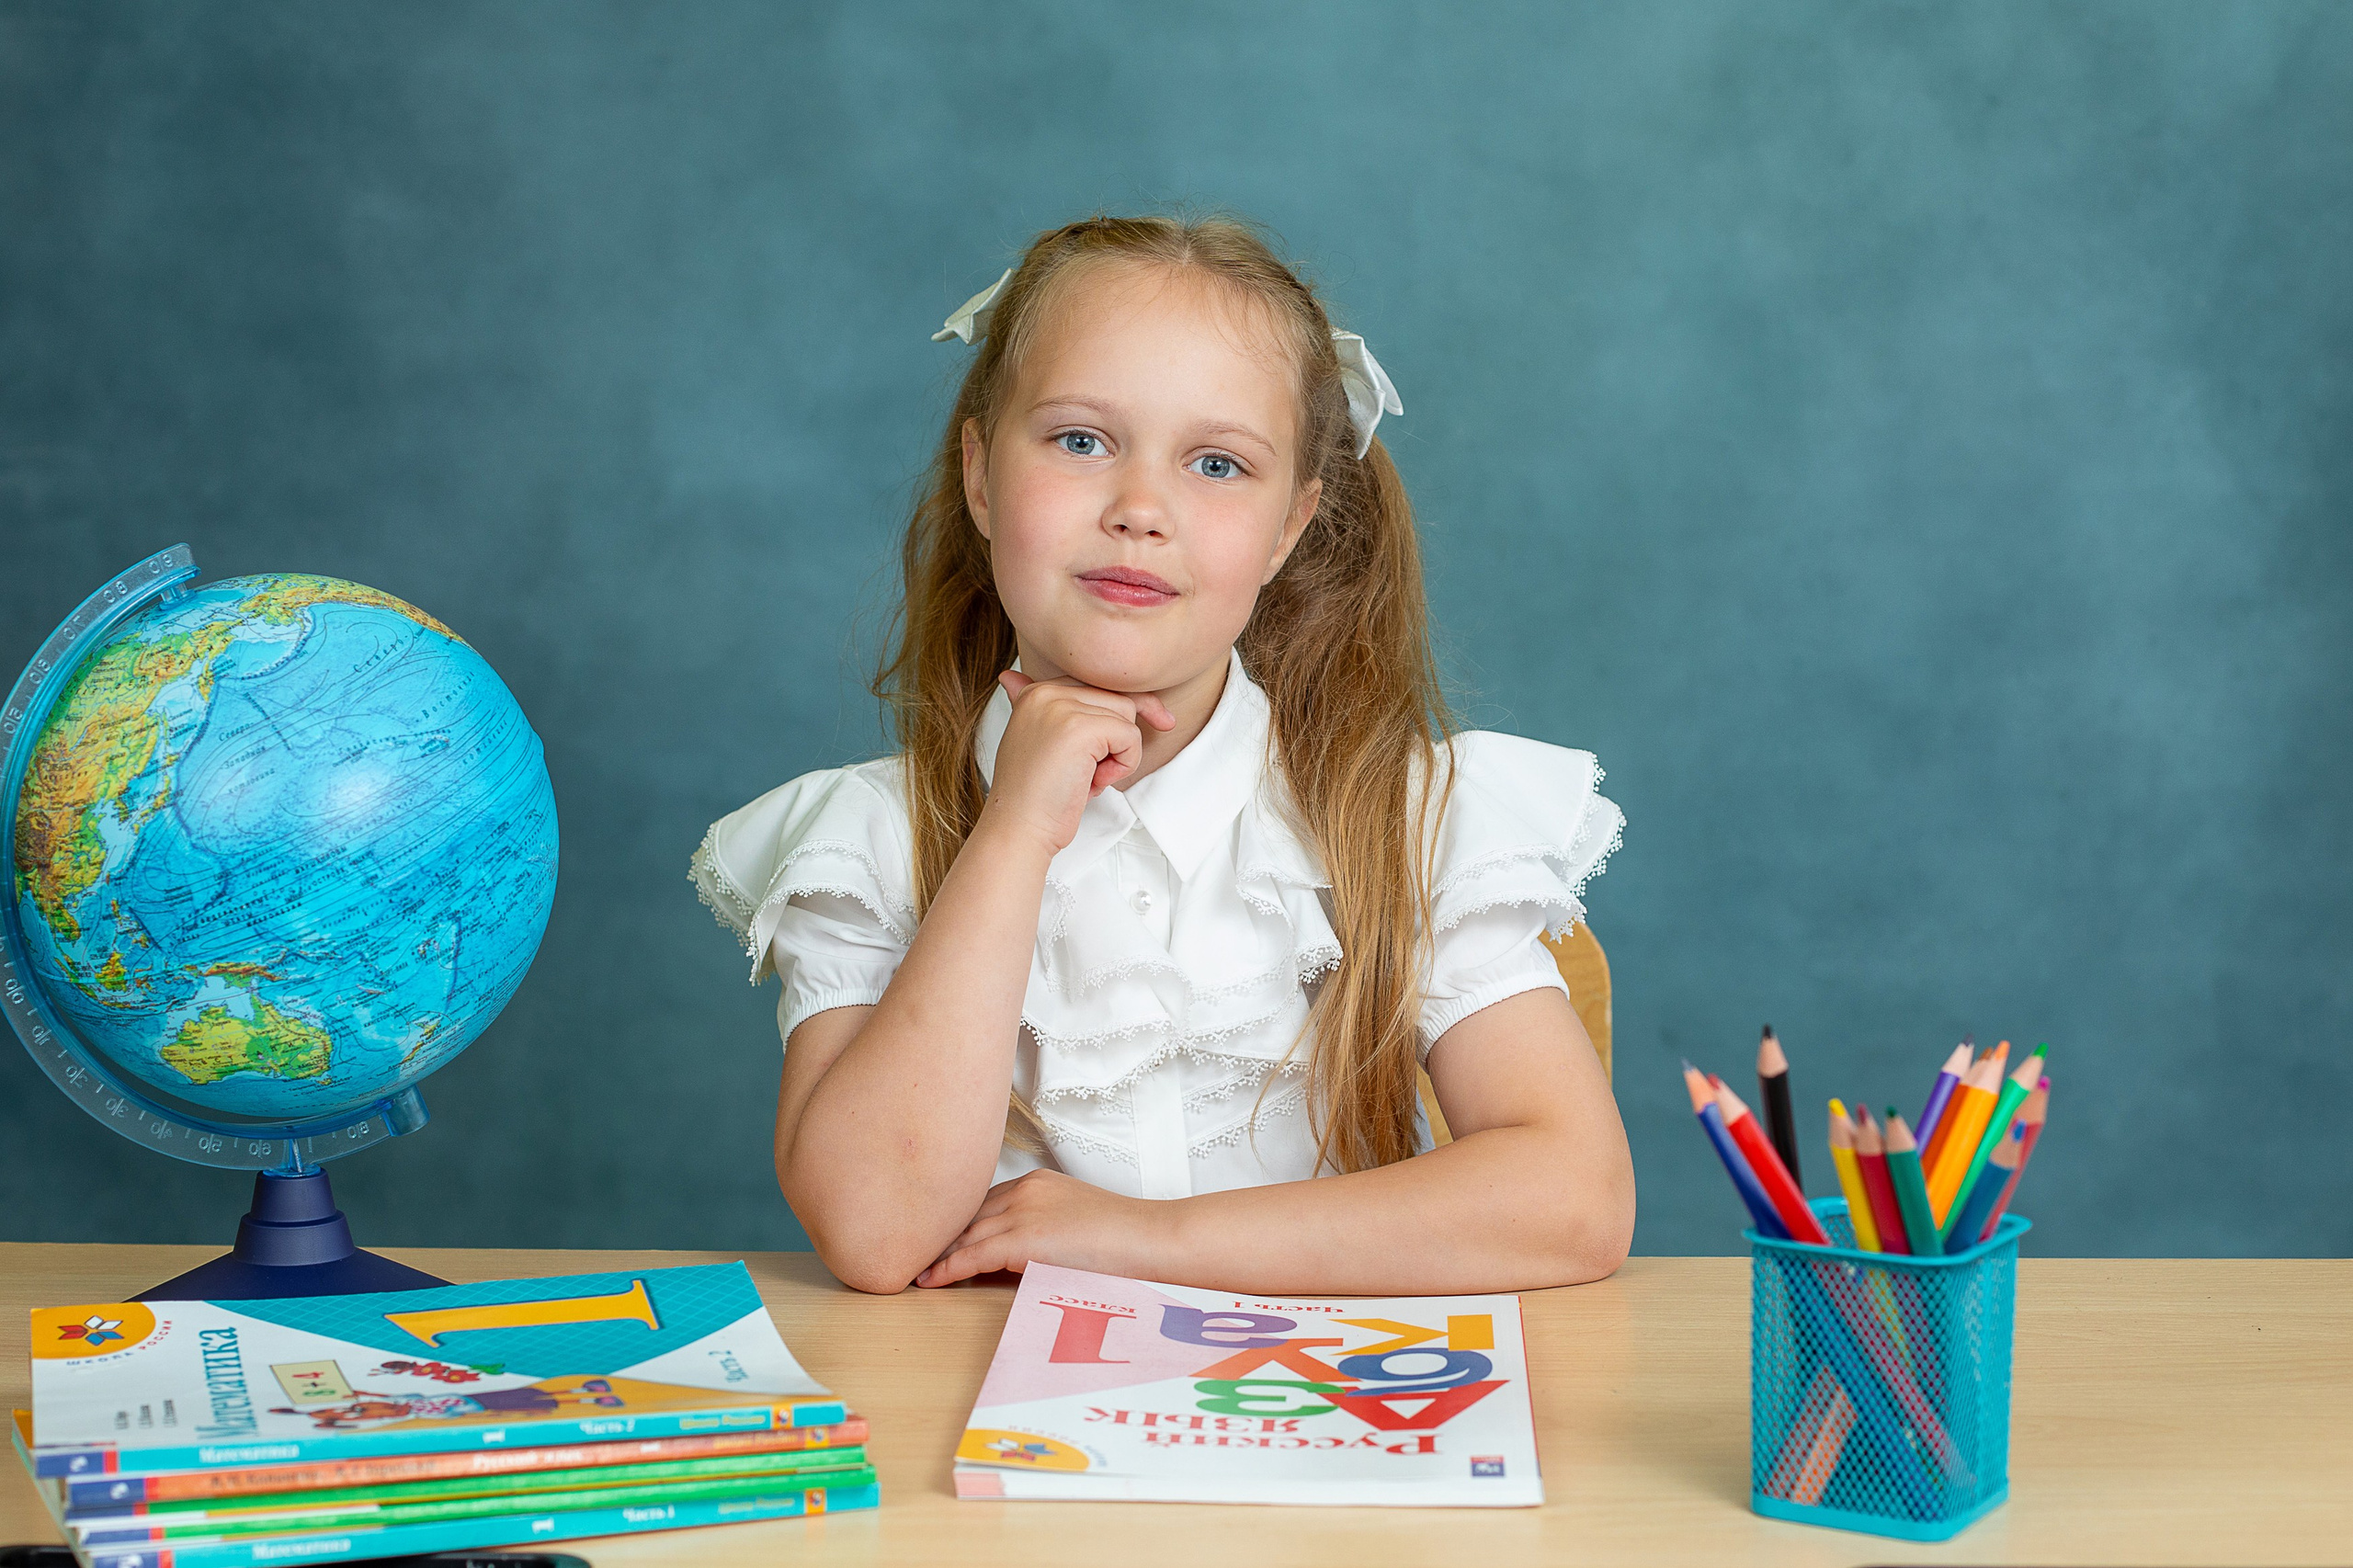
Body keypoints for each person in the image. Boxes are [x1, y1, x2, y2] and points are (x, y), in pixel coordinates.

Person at [693, 213, 1632, 1296]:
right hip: (985, 1432)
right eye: (1080, 440)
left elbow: (1573, 1201)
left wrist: (1140, 1237)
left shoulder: (1406, 817)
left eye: (1218, 463)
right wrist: (1013, 834)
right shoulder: (867, 839)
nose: (1140, 508)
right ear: (981, 477)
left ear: (1288, 529)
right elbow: (874, 1229)